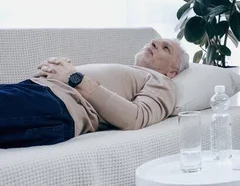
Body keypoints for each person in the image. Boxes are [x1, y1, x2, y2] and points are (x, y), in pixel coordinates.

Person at [0, 38, 190, 149]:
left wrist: (75, 77)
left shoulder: (161, 81)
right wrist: (52, 71)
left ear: (172, 71)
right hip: (33, 90)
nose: (155, 42)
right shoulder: (131, 72)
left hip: (58, 105)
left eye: (166, 48)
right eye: (155, 42)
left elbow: (137, 118)